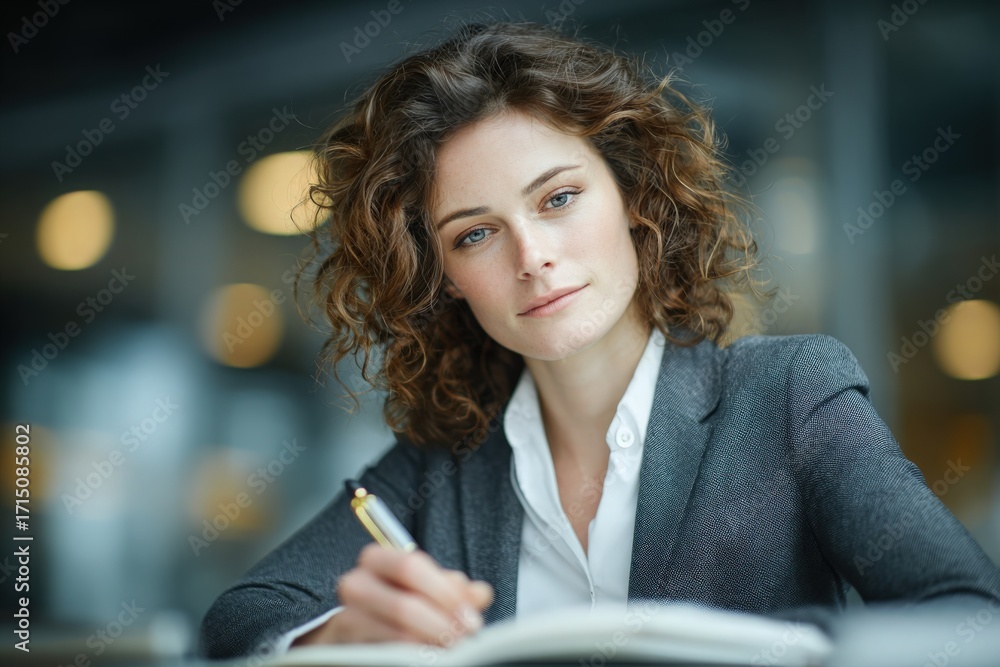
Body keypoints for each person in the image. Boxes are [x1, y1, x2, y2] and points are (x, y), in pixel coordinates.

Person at [197, 19, 1000, 661]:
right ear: (444, 275)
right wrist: (338, 639)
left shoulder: (789, 394)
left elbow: (969, 616)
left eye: (559, 198)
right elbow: (241, 619)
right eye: (476, 235)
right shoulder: (437, 465)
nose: (532, 256)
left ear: (632, 196)